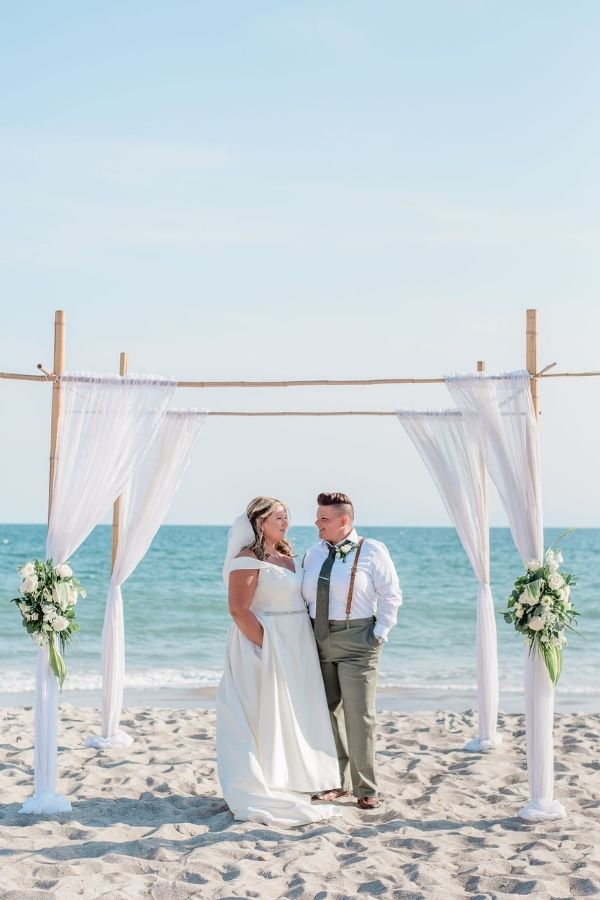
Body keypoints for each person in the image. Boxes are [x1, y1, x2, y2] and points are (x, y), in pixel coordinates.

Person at [216, 496, 342, 827]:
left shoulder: (286, 556)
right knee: (262, 712)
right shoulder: (247, 559)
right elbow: (238, 610)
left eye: (286, 517)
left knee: (295, 710)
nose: (285, 522)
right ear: (259, 522)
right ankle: (262, 780)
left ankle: (293, 776)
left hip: (296, 642)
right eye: (278, 517)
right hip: (262, 645)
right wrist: (267, 647)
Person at [302, 492, 402, 809]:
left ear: (343, 521)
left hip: (358, 639)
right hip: (316, 638)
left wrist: (378, 635)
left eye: (323, 519)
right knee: (326, 713)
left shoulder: (372, 550)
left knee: (360, 716)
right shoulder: (312, 553)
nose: (316, 523)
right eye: (317, 517)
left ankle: (366, 787)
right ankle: (335, 783)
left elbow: (391, 595)